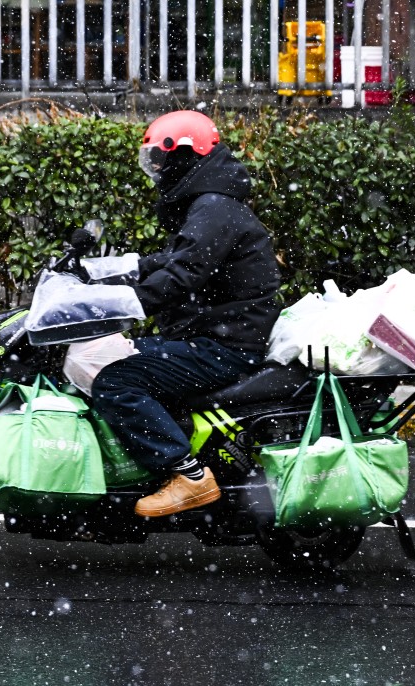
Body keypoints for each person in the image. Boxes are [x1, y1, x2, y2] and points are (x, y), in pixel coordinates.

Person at [91, 110, 281, 518]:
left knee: (115, 381)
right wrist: (109, 272)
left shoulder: (214, 207)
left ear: (185, 156)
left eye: (160, 160)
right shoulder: (211, 204)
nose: (157, 170)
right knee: (111, 355)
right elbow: (175, 258)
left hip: (223, 345)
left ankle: (190, 475)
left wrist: (122, 306)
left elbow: (183, 273)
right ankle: (146, 467)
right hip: (212, 335)